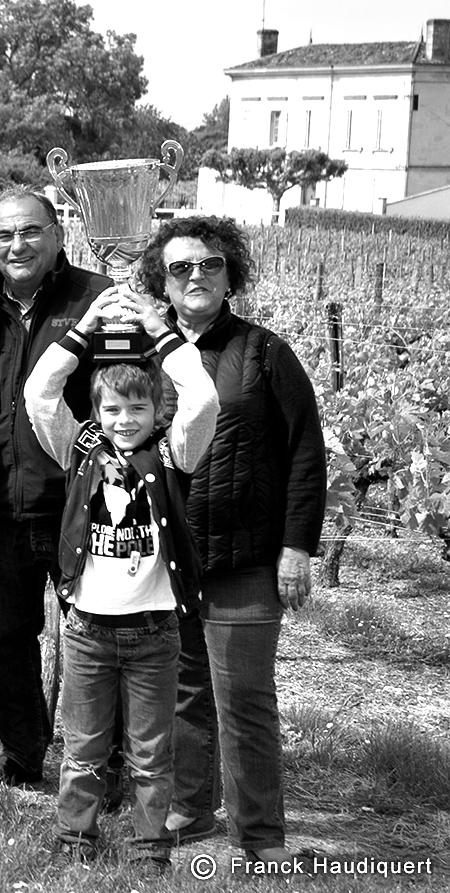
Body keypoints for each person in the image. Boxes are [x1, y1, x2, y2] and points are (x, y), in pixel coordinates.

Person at [135, 216, 326, 865]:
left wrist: (297, 547)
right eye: (181, 267)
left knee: (244, 699)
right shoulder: (142, 356)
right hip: (168, 555)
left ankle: (261, 835)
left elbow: (305, 451)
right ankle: (192, 808)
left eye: (210, 264)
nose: (197, 276)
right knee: (185, 691)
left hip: (245, 556)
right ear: (161, 282)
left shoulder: (264, 352)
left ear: (230, 274)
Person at [25, 287, 219, 870]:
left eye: (137, 409)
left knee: (151, 753)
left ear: (157, 411)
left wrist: (161, 332)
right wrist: (84, 328)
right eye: (112, 410)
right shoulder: (78, 448)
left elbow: (203, 398)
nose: (124, 420)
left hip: (154, 632)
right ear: (95, 413)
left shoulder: (174, 452)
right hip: (87, 630)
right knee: (83, 750)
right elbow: (40, 392)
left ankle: (149, 849)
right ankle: (75, 840)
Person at [0, 187, 111, 787]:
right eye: (3, 235)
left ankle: (100, 764)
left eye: (30, 231)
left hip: (80, 506)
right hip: (2, 505)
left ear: (58, 234)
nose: (17, 245)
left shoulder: (98, 298)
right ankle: (23, 756)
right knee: (8, 640)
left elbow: (126, 390)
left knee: (97, 638)